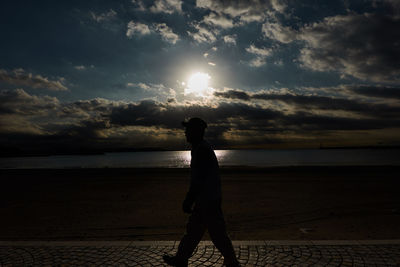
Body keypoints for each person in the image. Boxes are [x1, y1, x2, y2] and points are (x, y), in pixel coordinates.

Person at [163, 118, 240, 267]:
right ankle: (181, 259)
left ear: (196, 132)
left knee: (216, 234)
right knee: (194, 231)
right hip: (207, 199)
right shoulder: (200, 148)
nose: (185, 133)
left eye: (188, 130)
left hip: (208, 200)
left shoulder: (202, 150)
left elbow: (198, 180)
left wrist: (188, 200)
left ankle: (232, 262)